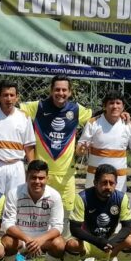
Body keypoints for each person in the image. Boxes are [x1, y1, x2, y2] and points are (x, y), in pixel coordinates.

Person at [18, 75, 93, 218]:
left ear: (70, 92)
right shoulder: (38, 106)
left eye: (64, 90)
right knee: (39, 214)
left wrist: (121, 114)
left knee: (65, 216)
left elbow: (97, 117)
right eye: (57, 89)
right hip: (43, 174)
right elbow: (13, 108)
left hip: (66, 174)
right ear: (51, 90)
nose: (61, 93)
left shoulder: (76, 109)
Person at [63, 164, 131, 261]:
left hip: (109, 244)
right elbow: (75, 229)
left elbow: (127, 227)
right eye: (104, 183)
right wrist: (98, 241)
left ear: (116, 183)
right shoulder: (82, 197)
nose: (108, 187)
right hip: (88, 243)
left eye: (111, 183)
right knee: (72, 244)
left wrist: (112, 243)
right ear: (95, 182)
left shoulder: (121, 198)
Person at [0, 160, 65, 261]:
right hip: (20, 238)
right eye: (33, 177)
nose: (37, 181)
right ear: (26, 176)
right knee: (7, 241)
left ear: (47, 178)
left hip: (43, 240)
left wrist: (40, 240)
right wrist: (28, 239)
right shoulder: (14, 193)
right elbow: (7, 224)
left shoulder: (54, 196)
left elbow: (58, 226)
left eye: (41, 178)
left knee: (60, 244)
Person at [77, 91, 131, 193]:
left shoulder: (128, 125)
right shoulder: (93, 123)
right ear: (105, 106)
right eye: (111, 103)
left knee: (116, 207)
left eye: (118, 103)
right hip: (95, 179)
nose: (115, 106)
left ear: (123, 107)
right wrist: (82, 149)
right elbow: (80, 148)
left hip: (118, 181)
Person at [0, 81, 35, 194]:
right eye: (5, 95)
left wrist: (32, 170)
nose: (9, 98)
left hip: (16, 166)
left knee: (15, 202)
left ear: (17, 97)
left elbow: (29, 146)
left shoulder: (24, 117)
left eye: (12, 95)